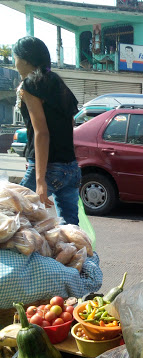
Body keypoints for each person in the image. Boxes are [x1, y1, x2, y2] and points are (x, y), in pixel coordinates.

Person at [13, 36, 81, 225]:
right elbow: (71, 123)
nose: (14, 62)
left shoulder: (30, 85)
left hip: (49, 168)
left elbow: (41, 133)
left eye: (15, 57)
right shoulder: (58, 83)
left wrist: (40, 180)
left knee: (11, 217)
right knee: (71, 231)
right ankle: (79, 255)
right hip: (71, 168)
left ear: (26, 60)